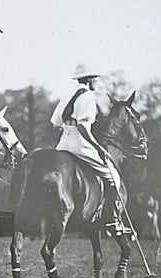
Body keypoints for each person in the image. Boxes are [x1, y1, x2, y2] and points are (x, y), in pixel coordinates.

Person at [52, 63, 127, 235]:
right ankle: (114, 220)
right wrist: (98, 147)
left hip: (62, 143)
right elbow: (83, 127)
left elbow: (55, 123)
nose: (96, 82)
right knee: (113, 174)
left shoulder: (67, 95)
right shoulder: (88, 96)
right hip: (80, 144)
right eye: (95, 79)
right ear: (89, 79)